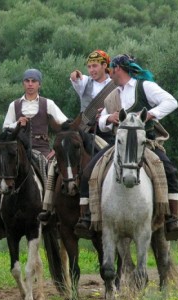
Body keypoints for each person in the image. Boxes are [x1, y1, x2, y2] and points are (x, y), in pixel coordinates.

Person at [74, 54, 178, 241]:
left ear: (118, 69)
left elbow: (171, 102)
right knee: (89, 171)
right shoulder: (113, 95)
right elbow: (100, 122)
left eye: (110, 71)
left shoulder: (144, 87)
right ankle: (86, 217)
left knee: (170, 171)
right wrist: (108, 118)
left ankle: (171, 219)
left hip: (144, 143)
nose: (109, 74)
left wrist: (150, 114)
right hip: (119, 143)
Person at [0, 68, 69, 241]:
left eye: (34, 81)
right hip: (18, 151)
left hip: (42, 149)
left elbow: (63, 121)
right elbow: (5, 128)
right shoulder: (14, 105)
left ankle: (51, 213)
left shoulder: (48, 103)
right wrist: (18, 122)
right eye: (27, 81)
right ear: (23, 83)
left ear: (39, 84)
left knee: (50, 172)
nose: (30, 84)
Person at [38, 50, 115, 224]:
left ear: (105, 66)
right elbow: (76, 79)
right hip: (84, 131)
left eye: (95, 66)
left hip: (106, 133)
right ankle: (48, 207)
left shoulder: (115, 85)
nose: (92, 70)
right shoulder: (85, 82)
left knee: (109, 162)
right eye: (89, 66)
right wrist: (75, 75)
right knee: (56, 164)